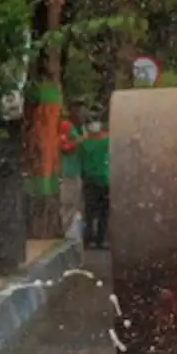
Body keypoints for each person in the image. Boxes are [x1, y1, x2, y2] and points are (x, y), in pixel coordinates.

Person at [77, 107, 111, 250]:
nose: (94, 124)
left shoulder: (83, 142)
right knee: (98, 212)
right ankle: (96, 239)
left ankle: (94, 239)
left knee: (96, 212)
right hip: (99, 180)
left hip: (96, 180)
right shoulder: (104, 141)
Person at [59, 106, 84, 238]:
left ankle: (65, 229)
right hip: (69, 171)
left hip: (67, 170)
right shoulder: (66, 126)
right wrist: (79, 141)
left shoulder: (63, 126)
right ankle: (64, 230)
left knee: (70, 203)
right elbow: (67, 146)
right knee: (69, 202)